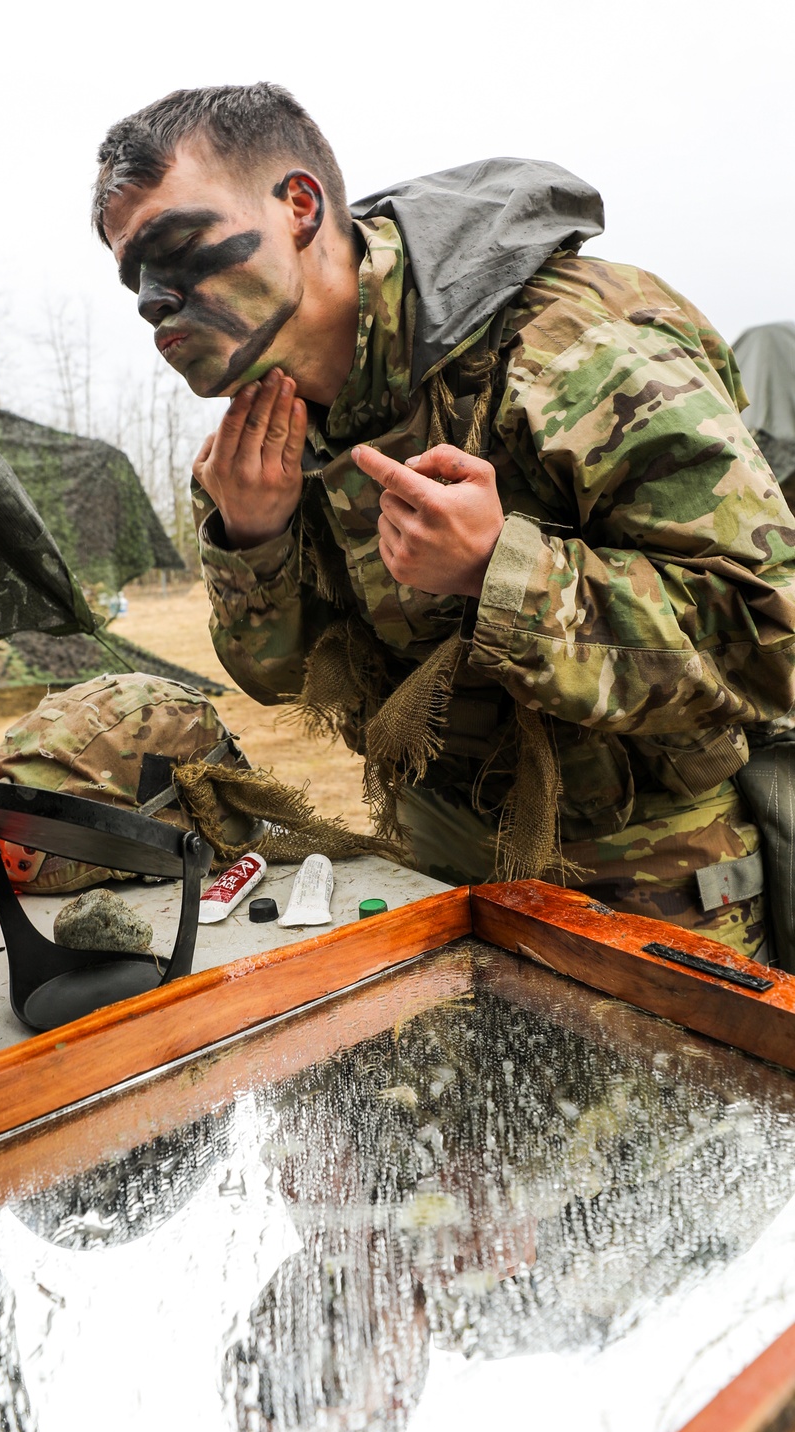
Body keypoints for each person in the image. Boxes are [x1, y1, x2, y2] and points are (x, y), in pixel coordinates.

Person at [92, 83, 795, 958]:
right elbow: (280, 681)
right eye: (135, 279)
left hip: (650, 885)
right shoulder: (267, 433)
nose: (154, 301)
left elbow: (772, 639)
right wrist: (254, 539)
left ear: (300, 206)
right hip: (436, 867)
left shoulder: (575, 342)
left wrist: (498, 569)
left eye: (177, 248)